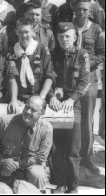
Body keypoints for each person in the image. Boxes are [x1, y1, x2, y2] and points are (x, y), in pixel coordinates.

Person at [50, 22, 90, 194]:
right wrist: (51, 95)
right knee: (58, 146)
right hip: (55, 106)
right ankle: (60, 183)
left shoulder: (82, 54)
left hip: (73, 106)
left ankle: (73, 185)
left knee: (73, 147)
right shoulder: (53, 55)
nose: (64, 39)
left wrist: (71, 99)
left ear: (74, 37)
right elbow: (47, 76)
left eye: (68, 36)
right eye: (61, 36)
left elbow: (84, 81)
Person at [0, 96, 53, 193]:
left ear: (42, 112)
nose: (28, 112)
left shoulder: (47, 128)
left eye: (33, 110)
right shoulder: (5, 122)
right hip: (5, 162)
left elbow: (41, 157)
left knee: (38, 174)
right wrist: (2, 161)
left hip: (30, 164)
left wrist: (17, 164)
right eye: (27, 107)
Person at [72, 0, 104, 174]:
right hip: (71, 80)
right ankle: (72, 155)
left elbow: (102, 54)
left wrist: (85, 63)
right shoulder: (68, 27)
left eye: (85, 9)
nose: (82, 12)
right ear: (74, 9)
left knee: (87, 120)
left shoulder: (96, 29)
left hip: (90, 80)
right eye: (79, 9)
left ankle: (87, 157)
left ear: (90, 11)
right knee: (72, 119)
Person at [7, 18, 55, 114]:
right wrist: (14, 99)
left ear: (33, 32)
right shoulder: (12, 51)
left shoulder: (42, 49)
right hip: (20, 99)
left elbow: (49, 76)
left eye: (26, 32)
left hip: (39, 97)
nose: (24, 35)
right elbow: (12, 77)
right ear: (16, 32)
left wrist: (41, 99)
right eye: (20, 32)